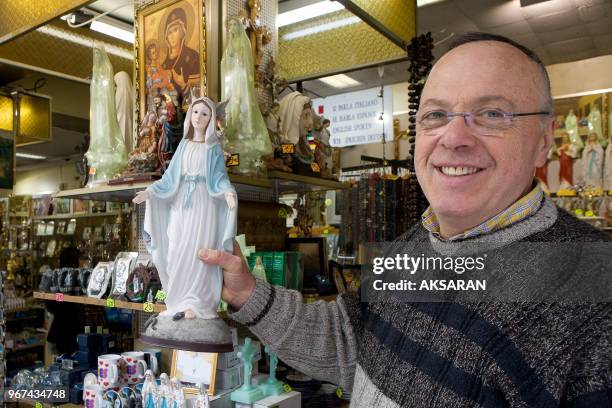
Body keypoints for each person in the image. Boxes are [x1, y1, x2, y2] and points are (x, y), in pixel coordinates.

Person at [198, 33, 612, 407]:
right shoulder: (416, 244)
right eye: (436, 115)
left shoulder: (596, 291)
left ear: (544, 140)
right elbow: (349, 342)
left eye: (490, 114)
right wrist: (247, 291)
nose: (454, 137)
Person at [161, 7, 200, 103]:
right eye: (169, 32)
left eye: (175, 30)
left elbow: (199, 97)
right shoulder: (163, 66)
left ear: (183, 32)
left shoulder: (193, 58)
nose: (172, 36)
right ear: (166, 38)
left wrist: (183, 85)